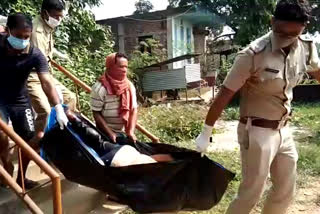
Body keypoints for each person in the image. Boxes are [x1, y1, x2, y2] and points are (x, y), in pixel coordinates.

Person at [195, 1, 320, 214]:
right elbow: (225, 93)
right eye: (281, 31)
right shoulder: (252, 54)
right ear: (272, 22)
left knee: (285, 189)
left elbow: (318, 72)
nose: (286, 38)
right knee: (252, 191)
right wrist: (206, 131)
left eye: (293, 34)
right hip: (257, 133)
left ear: (303, 27)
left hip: (284, 130)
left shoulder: (306, 48)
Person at [0, 13, 68, 189]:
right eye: (18, 36)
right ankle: (6, 167)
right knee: (1, 135)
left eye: (27, 37)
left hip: (20, 101)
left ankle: (21, 178)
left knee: (33, 139)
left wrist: (58, 107)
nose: (23, 41)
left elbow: (46, 82)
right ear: (8, 31)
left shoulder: (34, 54)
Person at [28, 0, 76, 144]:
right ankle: (35, 143)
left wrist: (59, 54)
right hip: (32, 76)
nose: (59, 20)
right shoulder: (36, 31)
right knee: (45, 111)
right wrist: (56, 102)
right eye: (56, 17)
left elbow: (47, 50)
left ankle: (59, 134)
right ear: (45, 13)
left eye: (61, 17)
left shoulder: (46, 25)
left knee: (70, 98)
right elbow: (40, 66)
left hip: (46, 73)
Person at [66, 111, 173, 167]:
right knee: (96, 146)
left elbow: (166, 156)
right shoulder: (157, 179)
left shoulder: (159, 163)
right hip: (119, 161)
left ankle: (76, 120)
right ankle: (75, 121)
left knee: (99, 142)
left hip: (127, 153)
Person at [90, 53, 138, 143]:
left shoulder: (129, 86)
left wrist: (130, 131)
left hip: (123, 133)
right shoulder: (100, 88)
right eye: (121, 67)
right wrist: (110, 133)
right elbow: (96, 113)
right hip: (104, 133)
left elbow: (133, 110)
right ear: (110, 67)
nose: (124, 70)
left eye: (126, 67)